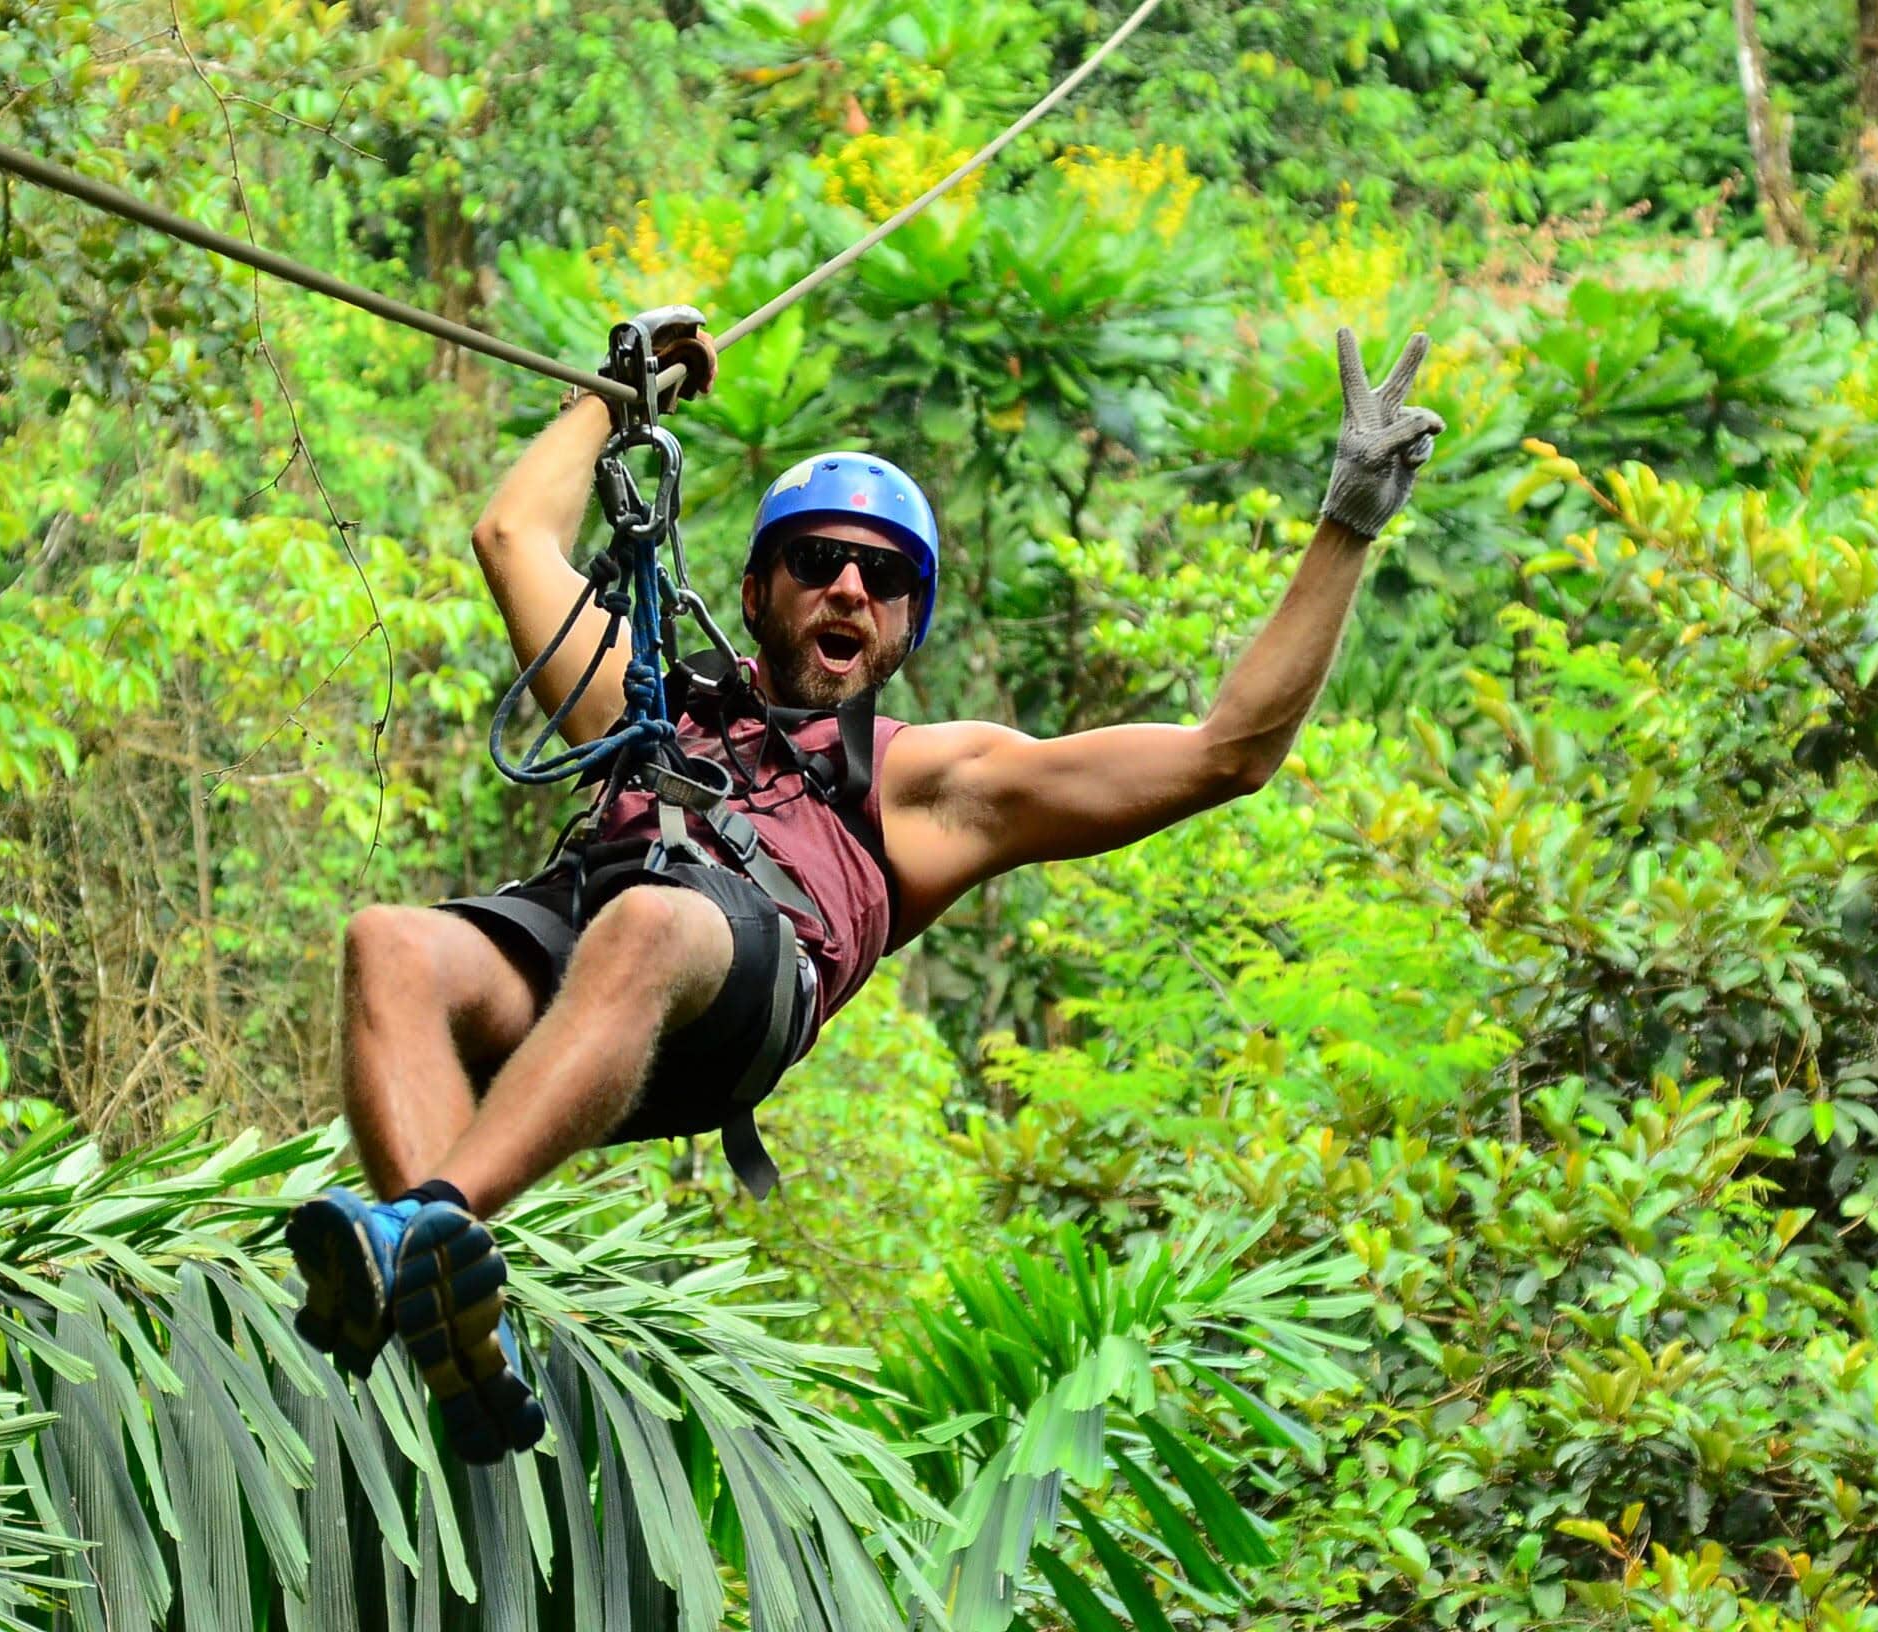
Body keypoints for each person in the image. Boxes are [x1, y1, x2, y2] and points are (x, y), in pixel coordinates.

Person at [288, 309, 1444, 1464]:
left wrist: (1344, 526)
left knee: (651, 920)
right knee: (388, 941)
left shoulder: (925, 783)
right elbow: (511, 537)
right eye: (814, 560)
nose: (846, 585)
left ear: (904, 621)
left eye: (879, 574)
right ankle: (446, 1316)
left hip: (732, 982)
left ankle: (418, 1226)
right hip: (574, 946)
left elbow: (1222, 754)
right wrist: (616, 397)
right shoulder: (648, 702)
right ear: (755, 592)